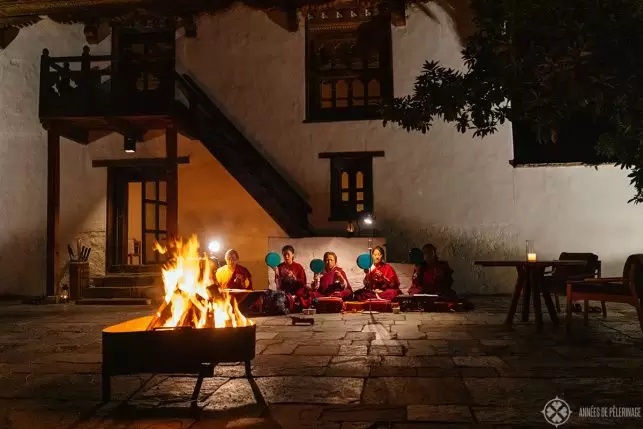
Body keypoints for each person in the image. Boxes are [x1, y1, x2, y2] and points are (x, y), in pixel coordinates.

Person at [274, 245, 312, 312]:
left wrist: (295, 278)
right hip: (285, 291)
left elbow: (304, 282)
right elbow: (278, 284)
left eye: (288, 254)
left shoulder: (298, 267)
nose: (286, 256)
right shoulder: (279, 267)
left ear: (293, 255)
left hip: (297, 291)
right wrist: (278, 275)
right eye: (284, 254)